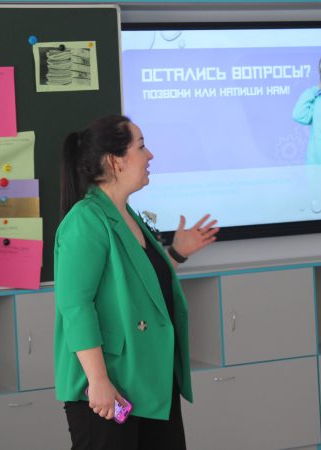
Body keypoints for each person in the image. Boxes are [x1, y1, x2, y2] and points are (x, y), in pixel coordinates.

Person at [54, 115, 219, 450]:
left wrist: (177, 254)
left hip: (150, 382)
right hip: (110, 387)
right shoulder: (85, 220)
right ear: (115, 161)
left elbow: (136, 282)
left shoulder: (126, 214)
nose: (150, 155)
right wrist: (98, 380)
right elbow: (76, 306)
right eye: (141, 147)